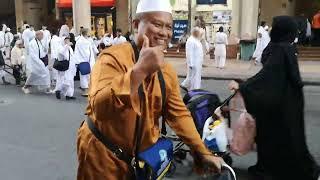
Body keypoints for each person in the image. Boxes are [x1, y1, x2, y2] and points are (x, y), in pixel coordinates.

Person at [76, 0, 223, 179]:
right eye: (157, 24)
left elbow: (178, 114)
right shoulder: (111, 58)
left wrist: (202, 151)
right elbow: (99, 109)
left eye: (169, 27)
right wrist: (139, 71)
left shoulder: (166, 70)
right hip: (103, 156)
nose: (164, 32)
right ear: (137, 25)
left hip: (143, 162)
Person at [228, 16, 320, 180]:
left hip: (277, 106)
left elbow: (267, 77)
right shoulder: (287, 47)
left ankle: (271, 170)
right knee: (291, 138)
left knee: (272, 138)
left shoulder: (280, 49)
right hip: (290, 102)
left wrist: (243, 86)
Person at [73, 28, 95, 97]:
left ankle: (87, 90)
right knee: (85, 76)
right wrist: (87, 60)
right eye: (89, 31)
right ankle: (86, 90)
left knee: (86, 76)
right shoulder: (82, 41)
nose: (90, 32)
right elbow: (85, 53)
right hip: (85, 60)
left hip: (86, 61)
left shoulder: (85, 40)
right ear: (86, 33)